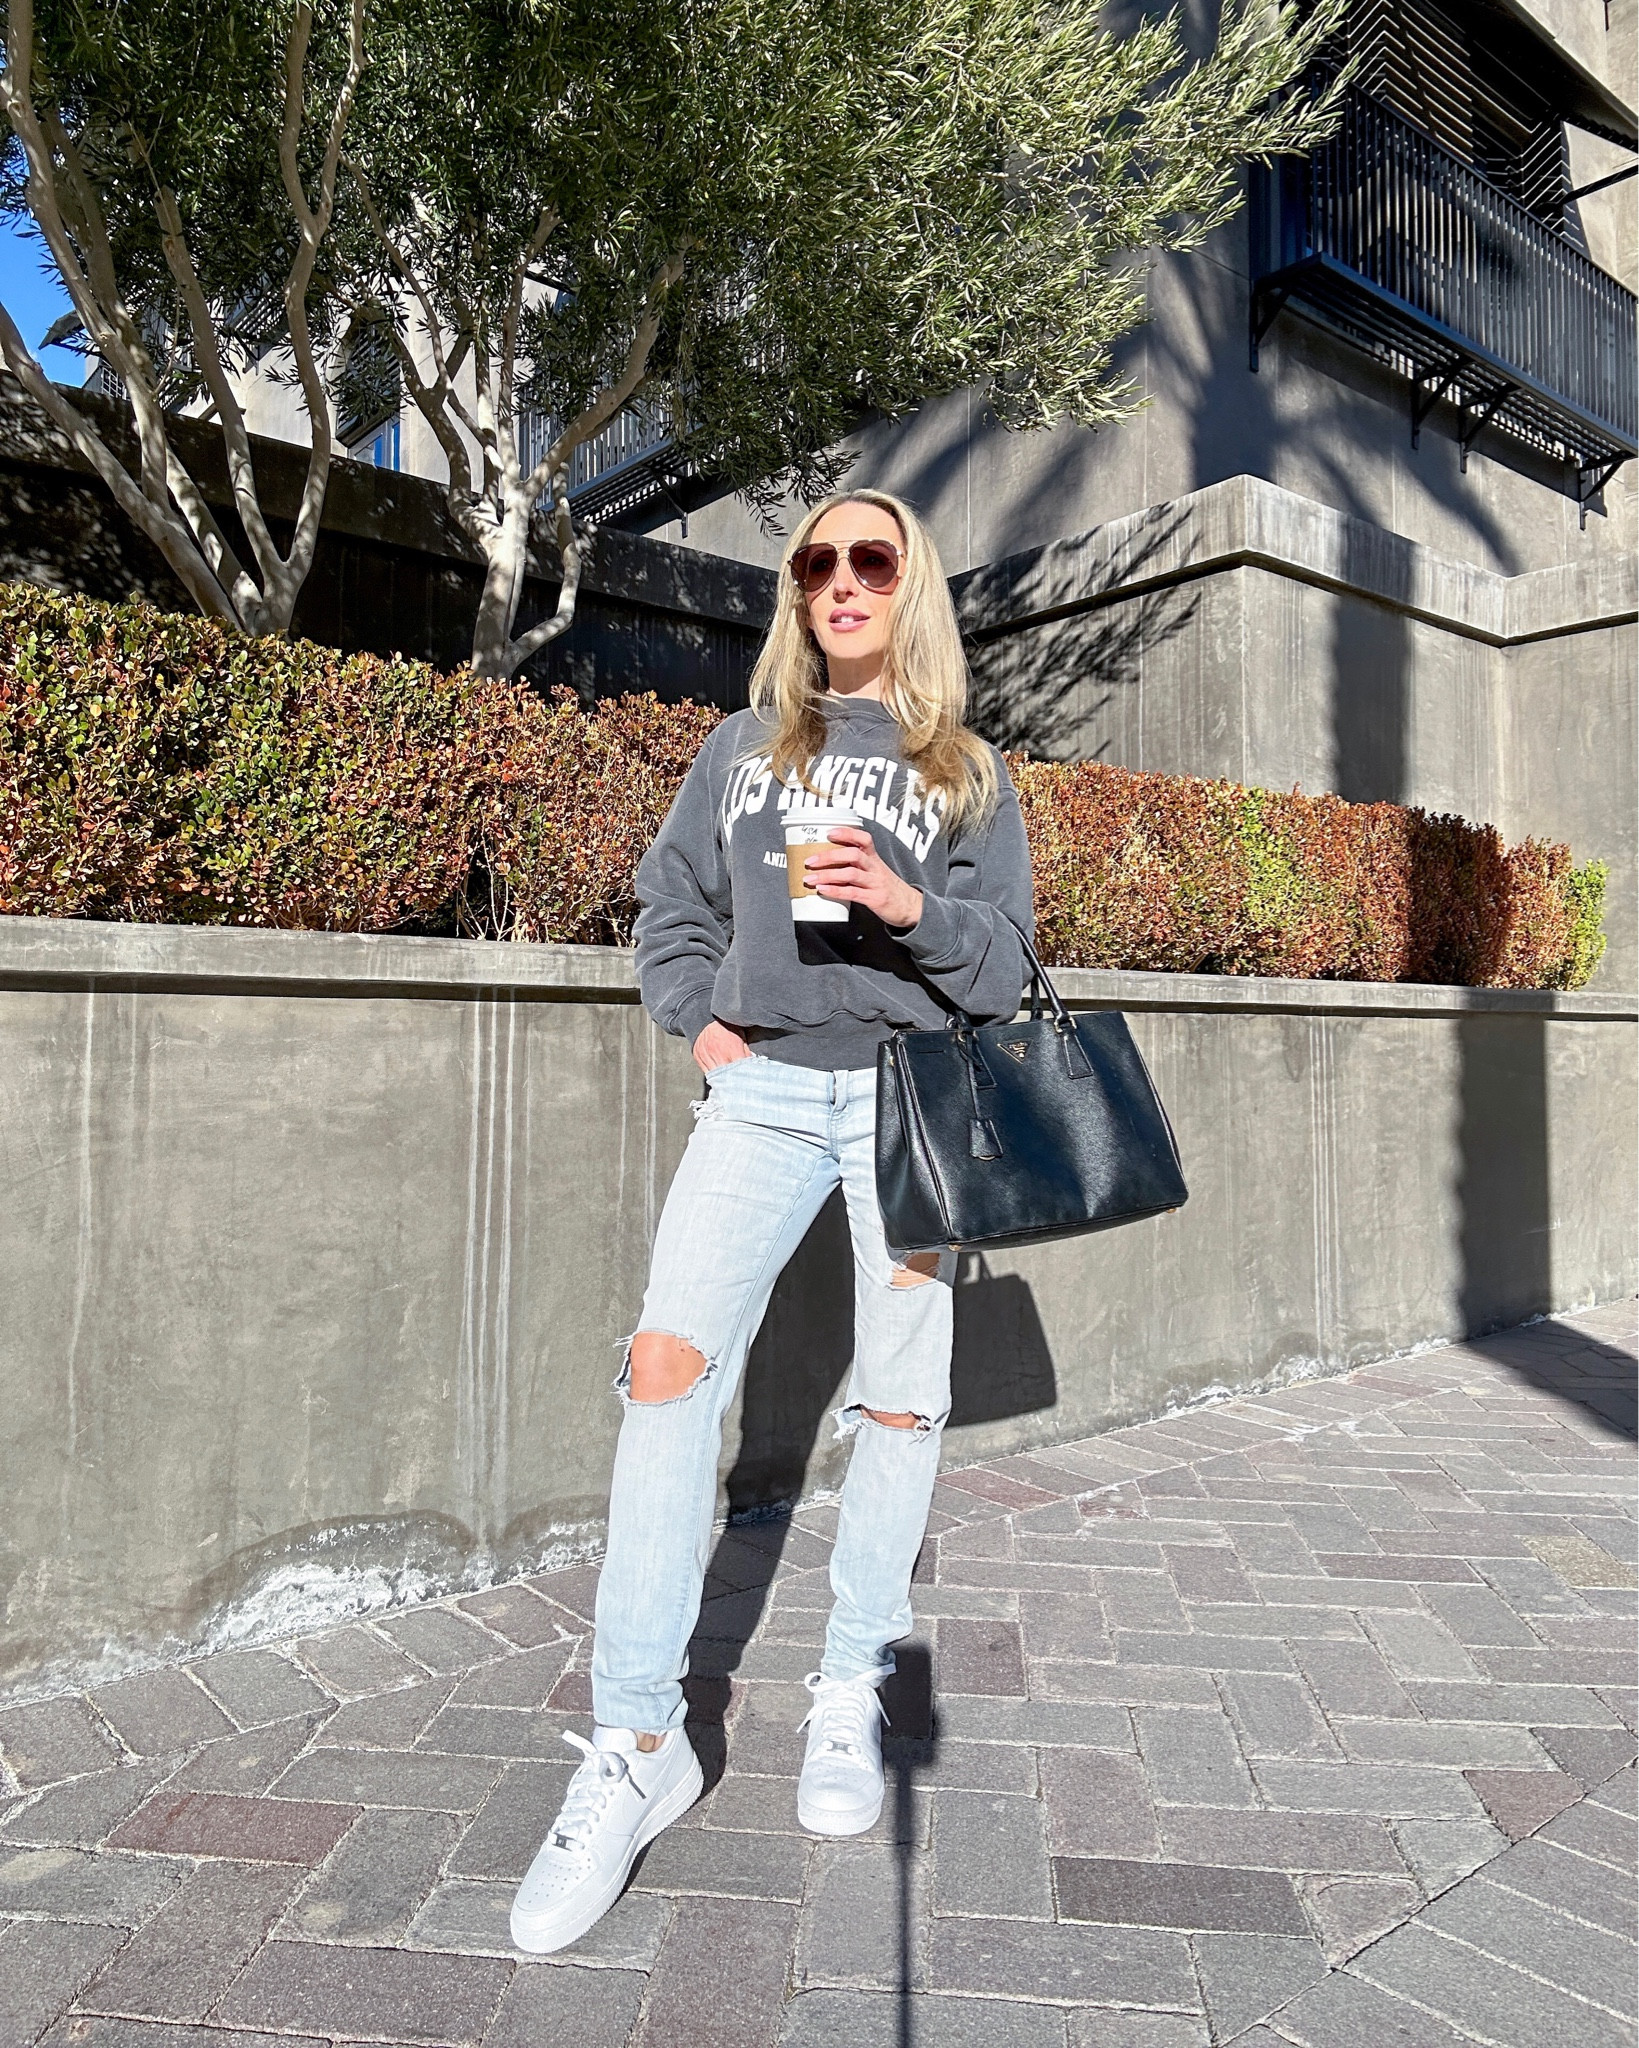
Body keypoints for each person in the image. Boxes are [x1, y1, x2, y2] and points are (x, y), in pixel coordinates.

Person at [510, 488, 1035, 1955]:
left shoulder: (967, 773)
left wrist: (912, 907)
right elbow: (668, 904)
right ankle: (635, 1741)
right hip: (761, 1100)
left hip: (910, 1105)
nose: (844, 581)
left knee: (903, 1402)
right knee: (667, 1371)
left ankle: (847, 1682)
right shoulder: (744, 751)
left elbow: (1002, 969)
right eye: (819, 561)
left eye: (874, 559)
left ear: (911, 584)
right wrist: (702, 1025)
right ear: (798, 592)